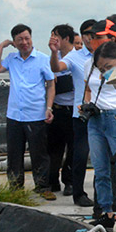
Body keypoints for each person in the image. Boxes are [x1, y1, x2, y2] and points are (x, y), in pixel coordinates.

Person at [0, 24, 55, 198]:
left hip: (36, 114)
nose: (24, 42)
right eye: (20, 40)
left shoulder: (42, 59)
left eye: (27, 38)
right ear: (14, 42)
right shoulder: (12, 58)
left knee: (39, 154)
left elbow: (51, 84)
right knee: (14, 154)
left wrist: (49, 107)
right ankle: (15, 188)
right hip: (15, 115)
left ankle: (43, 187)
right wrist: (1, 47)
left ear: (31, 38)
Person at [83, 26, 116, 223]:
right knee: (100, 169)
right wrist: (86, 104)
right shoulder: (89, 64)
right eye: (100, 68)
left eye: (100, 36)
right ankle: (106, 212)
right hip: (95, 117)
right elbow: (88, 88)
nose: (103, 71)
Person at [48, 19, 96, 207]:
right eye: (87, 35)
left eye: (95, 34)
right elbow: (56, 68)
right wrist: (54, 52)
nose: (91, 38)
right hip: (82, 114)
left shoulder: (107, 54)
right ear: (82, 37)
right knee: (80, 155)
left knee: (106, 156)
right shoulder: (74, 56)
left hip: (105, 112)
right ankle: (78, 192)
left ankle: (105, 195)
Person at [47, 24, 76, 195]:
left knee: (73, 148)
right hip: (57, 108)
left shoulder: (77, 57)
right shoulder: (51, 58)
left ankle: (69, 181)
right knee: (54, 148)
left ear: (66, 38)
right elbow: (50, 74)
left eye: (56, 36)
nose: (53, 39)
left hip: (73, 109)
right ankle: (52, 180)